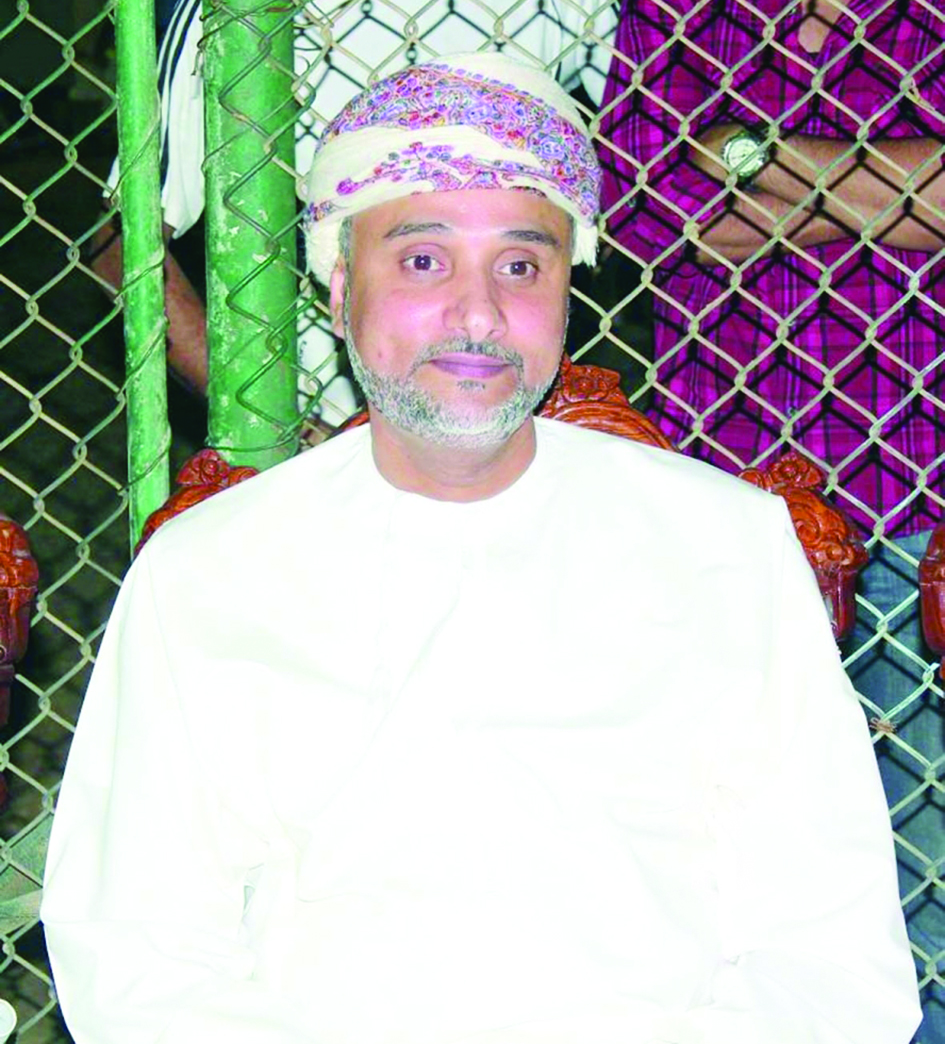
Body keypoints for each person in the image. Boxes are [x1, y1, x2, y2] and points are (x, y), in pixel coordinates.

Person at [42, 51, 920, 1044]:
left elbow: (830, 957)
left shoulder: (726, 547)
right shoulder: (209, 571)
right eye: (423, 260)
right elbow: (138, 955)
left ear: (569, 291)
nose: (477, 312)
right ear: (339, 288)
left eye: (521, 265)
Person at [598, 0, 945, 1035]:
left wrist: (746, 153)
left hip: (927, 497)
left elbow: (706, 188)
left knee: (925, 860)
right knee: (741, 856)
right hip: (726, 502)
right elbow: (641, 211)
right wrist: (893, 180)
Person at [93, 0, 619, 425]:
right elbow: (121, 248)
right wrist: (273, 424)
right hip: (322, 397)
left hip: (514, 392)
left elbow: (643, 171)